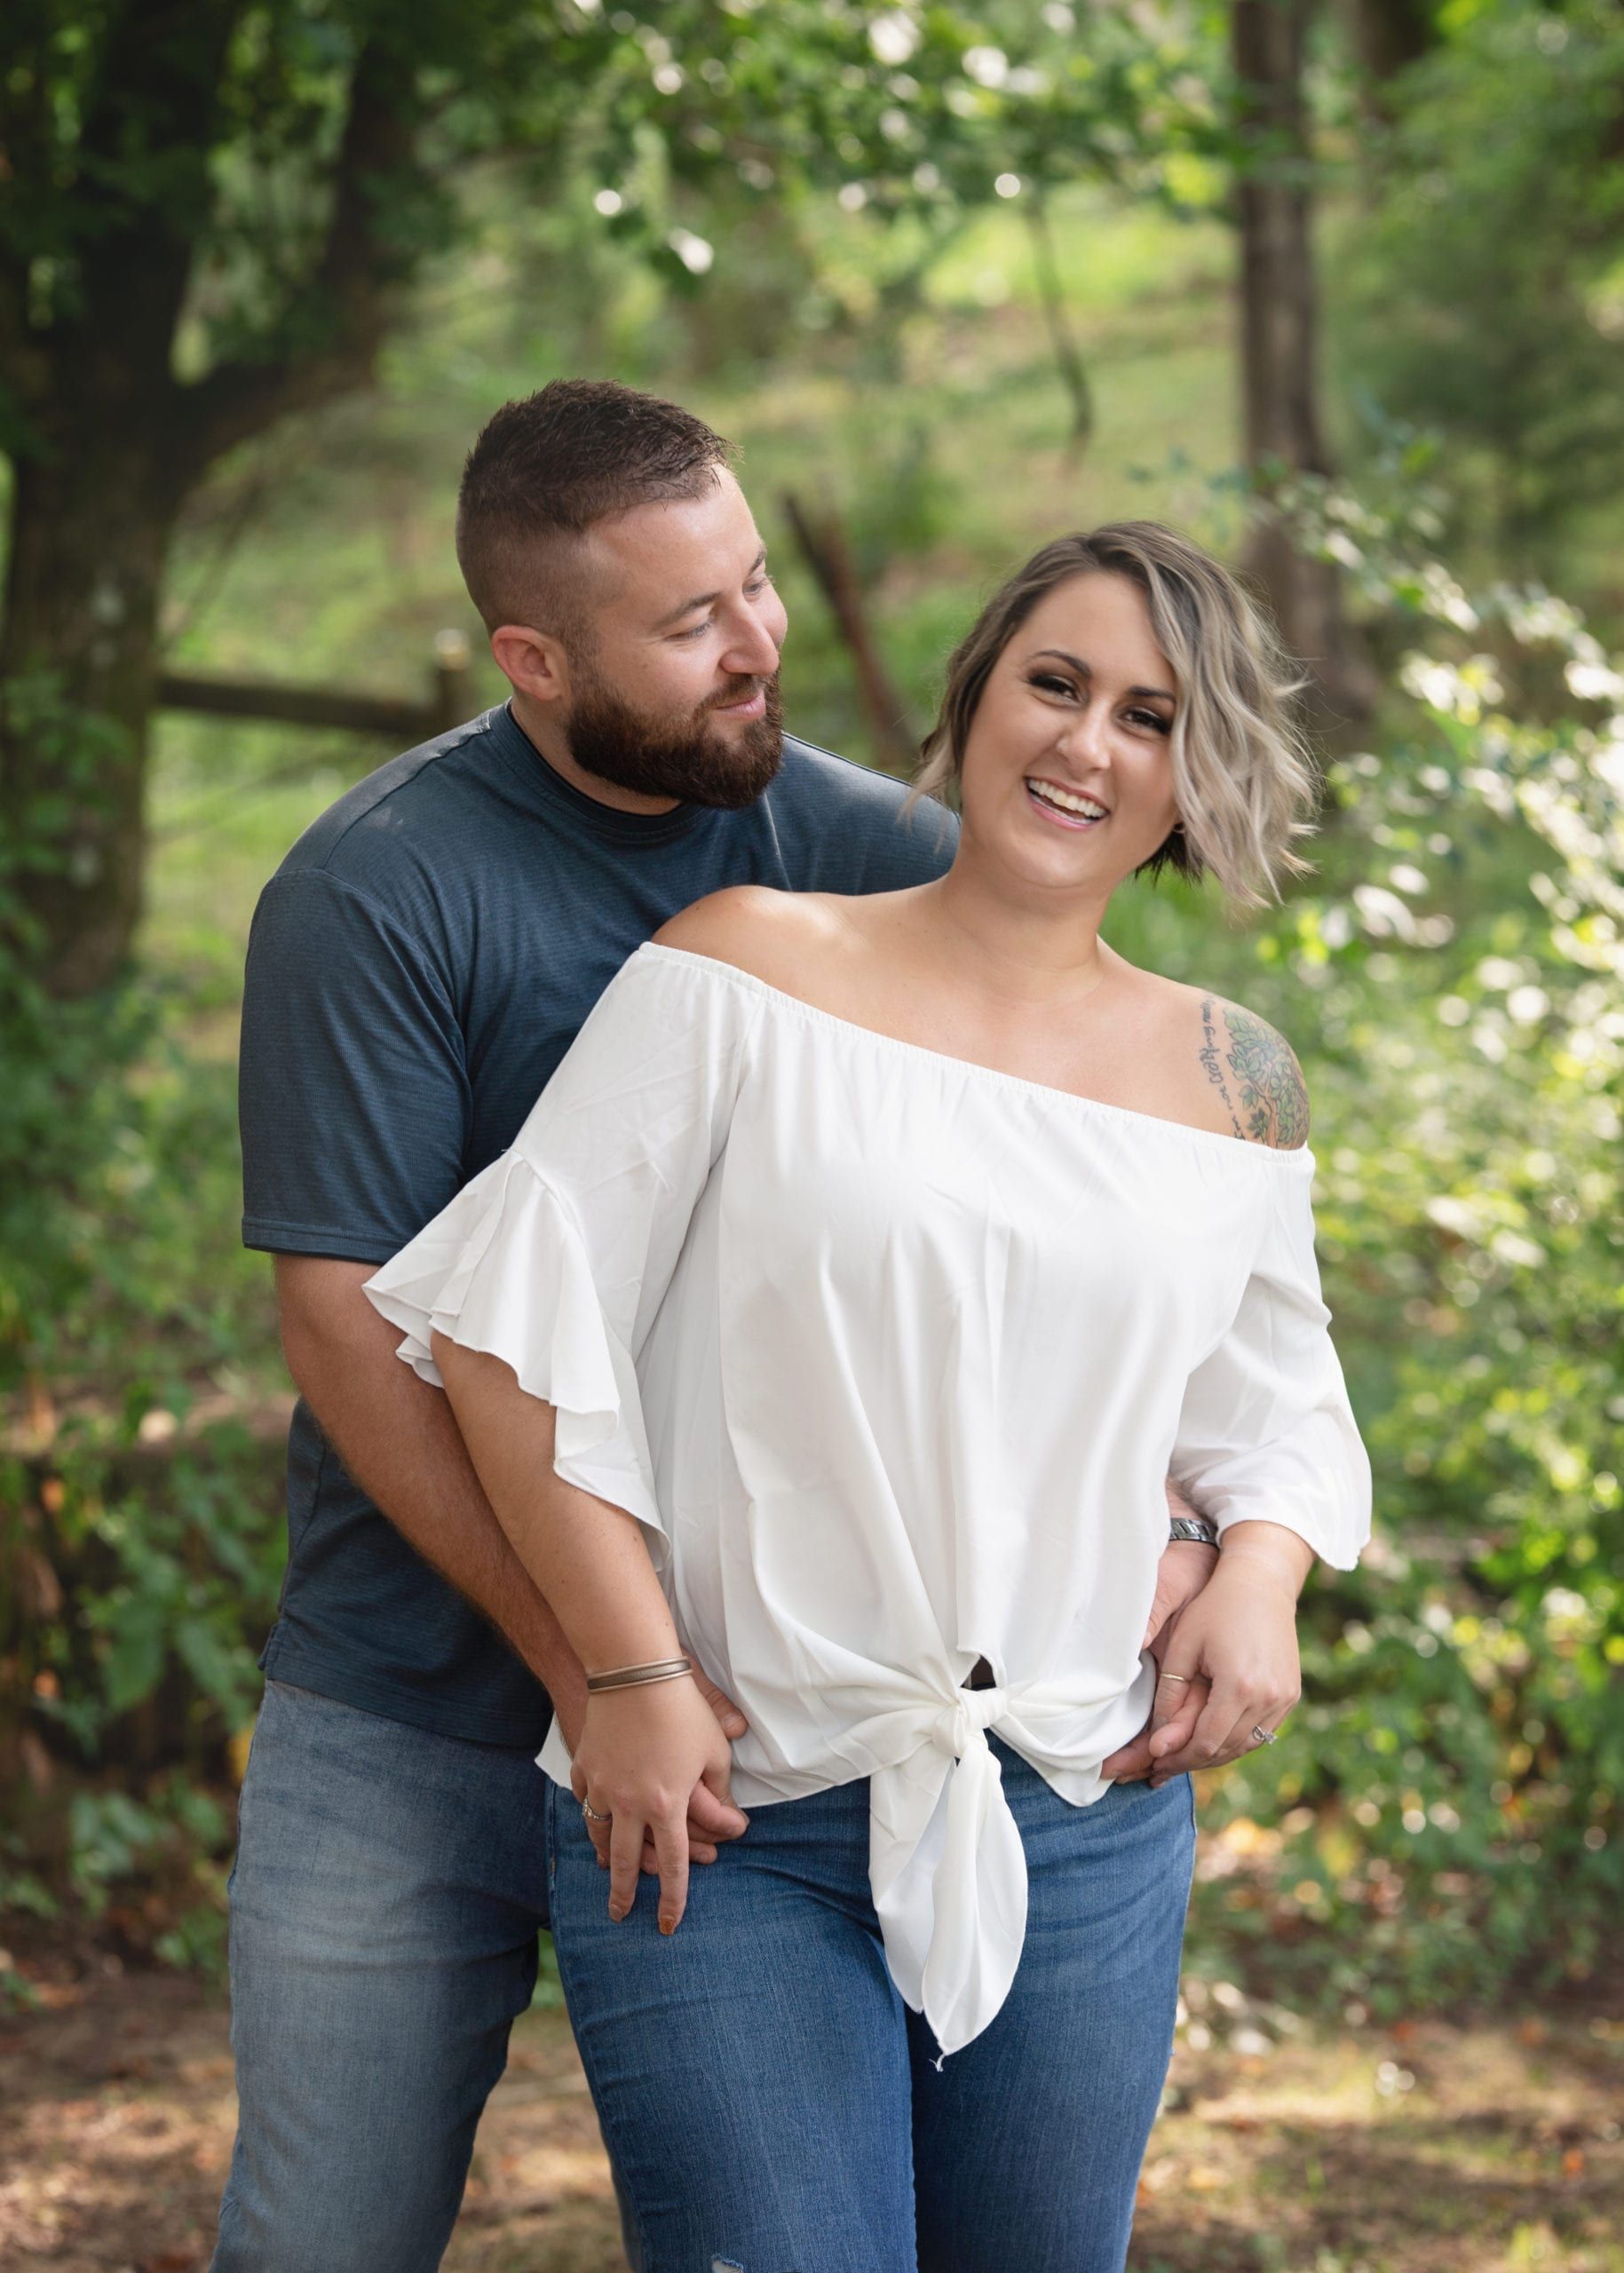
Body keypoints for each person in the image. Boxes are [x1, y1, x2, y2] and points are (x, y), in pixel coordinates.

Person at [216, 385, 1228, 2271]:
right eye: (690, 625)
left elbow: (1064, 1226)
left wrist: (1187, 1523)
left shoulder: (871, 853)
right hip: (421, 1691)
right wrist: (604, 1669)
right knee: (324, 2232)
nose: (757, 643)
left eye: (755, 581)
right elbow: (355, 1323)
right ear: (534, 655)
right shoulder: (380, 890)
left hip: (788, 1728)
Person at [363, 520, 1374, 2270]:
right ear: (975, 692)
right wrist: (628, 1672)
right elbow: (505, 1337)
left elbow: (1273, 1411)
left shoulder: (1236, 1080)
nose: (1086, 742)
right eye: (1055, 682)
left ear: (1195, 774)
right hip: (727, 1799)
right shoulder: (747, 966)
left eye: (1150, 714)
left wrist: (1266, 1570)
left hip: (1080, 1805)